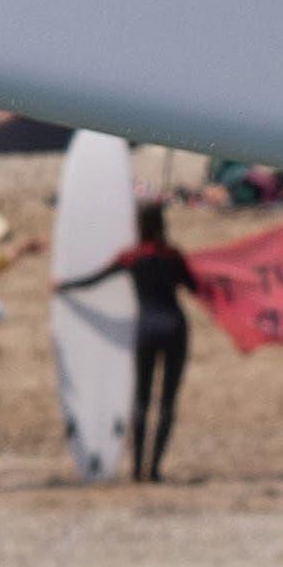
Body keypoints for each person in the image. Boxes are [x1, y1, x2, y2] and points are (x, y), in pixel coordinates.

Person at [103, 202, 202, 480]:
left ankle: (137, 469)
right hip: (174, 328)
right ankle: (155, 469)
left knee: (141, 400)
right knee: (167, 401)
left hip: (146, 329)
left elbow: (96, 277)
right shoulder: (173, 256)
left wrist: (64, 286)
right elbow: (195, 287)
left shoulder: (132, 258)